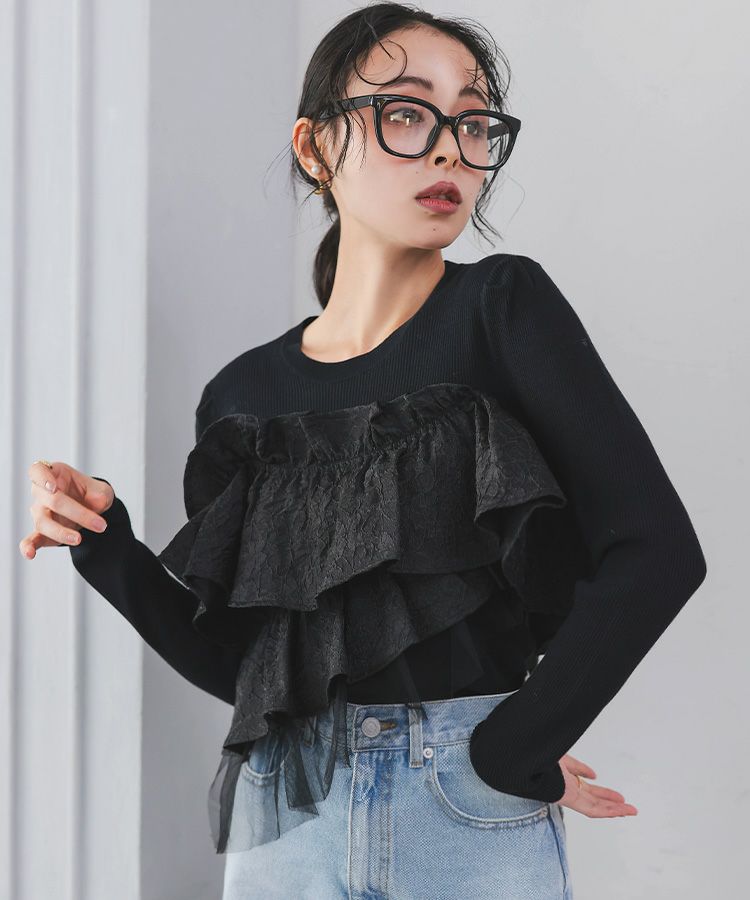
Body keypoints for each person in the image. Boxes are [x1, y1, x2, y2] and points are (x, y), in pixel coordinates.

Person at [19, 4, 707, 898]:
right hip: (286, 821)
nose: (450, 150)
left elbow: (656, 554)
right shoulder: (242, 398)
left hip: (464, 814)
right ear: (315, 148)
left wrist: (509, 750)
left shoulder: (502, 307)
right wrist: (106, 548)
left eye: (473, 123)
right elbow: (255, 672)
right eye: (407, 113)